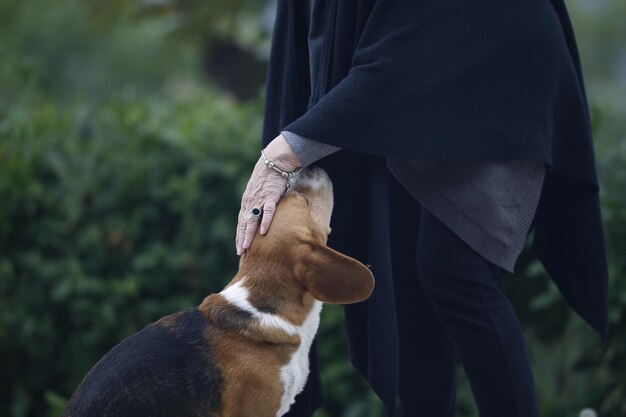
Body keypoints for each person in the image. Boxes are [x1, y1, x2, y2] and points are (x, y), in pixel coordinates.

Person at [236, 1, 609, 416]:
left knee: (455, 272)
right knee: (406, 281)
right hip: (415, 88)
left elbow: (405, 53)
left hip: (493, 58)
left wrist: (288, 151)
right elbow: (306, 45)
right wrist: (295, 133)